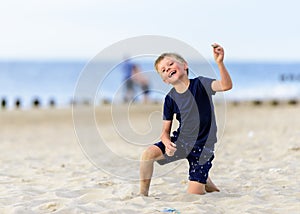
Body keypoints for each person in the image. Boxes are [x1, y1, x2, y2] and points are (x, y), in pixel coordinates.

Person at [139, 43, 232, 196]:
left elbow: (226, 85)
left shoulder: (201, 84)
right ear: (164, 80)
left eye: (170, 64)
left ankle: (203, 179)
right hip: (181, 142)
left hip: (202, 147)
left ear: (184, 65)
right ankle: (143, 195)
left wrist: (220, 62)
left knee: (194, 196)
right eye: (163, 70)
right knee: (147, 155)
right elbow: (165, 132)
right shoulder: (170, 99)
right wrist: (167, 143)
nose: (168, 68)